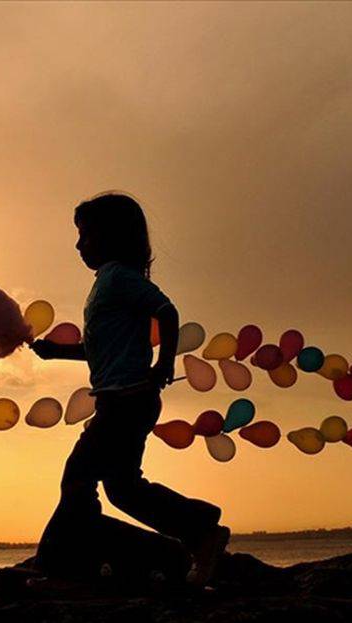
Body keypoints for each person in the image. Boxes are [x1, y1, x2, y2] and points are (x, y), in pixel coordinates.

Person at [31, 191, 229, 586]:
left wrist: (165, 362)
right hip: (118, 402)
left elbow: (167, 311)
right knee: (122, 489)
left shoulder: (120, 278)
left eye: (85, 235)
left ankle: (63, 564)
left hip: (127, 401)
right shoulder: (107, 283)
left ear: (112, 237)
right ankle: (200, 531)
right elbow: (100, 350)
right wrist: (58, 352)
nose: (79, 245)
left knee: (78, 478)